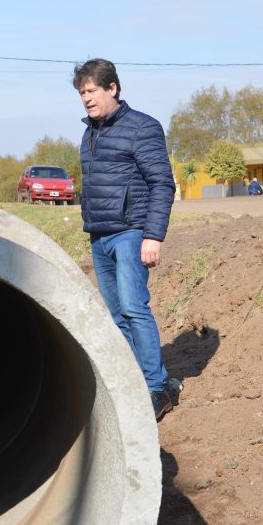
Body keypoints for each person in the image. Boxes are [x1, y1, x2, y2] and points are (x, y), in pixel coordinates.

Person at [73, 58, 177, 421]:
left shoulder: (142, 127)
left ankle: (156, 389)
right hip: (99, 236)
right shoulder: (90, 133)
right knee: (117, 317)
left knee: (135, 309)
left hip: (131, 233)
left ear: (112, 88)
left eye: (91, 91)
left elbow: (162, 183)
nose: (86, 98)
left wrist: (153, 235)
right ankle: (142, 383)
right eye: (82, 93)